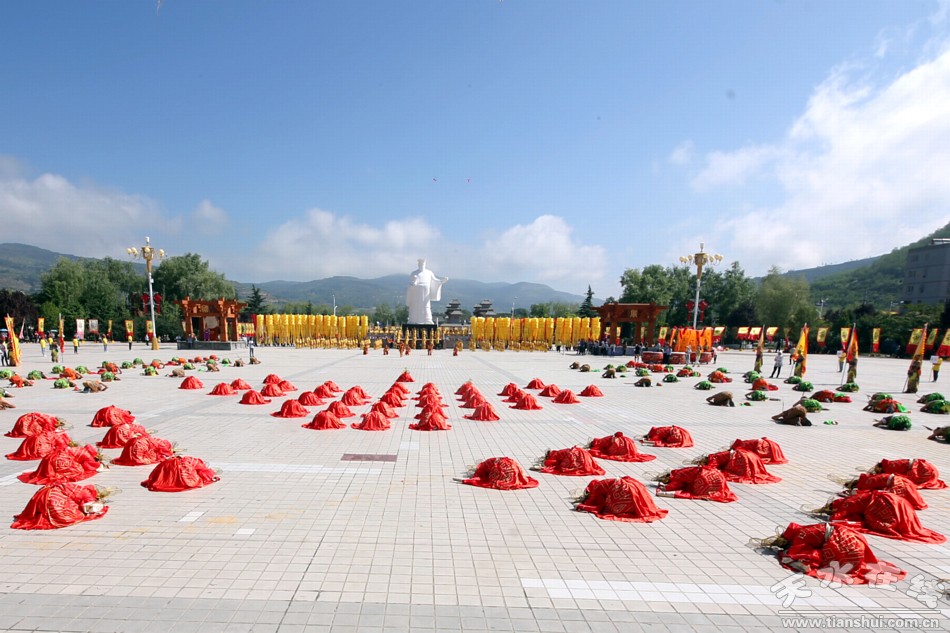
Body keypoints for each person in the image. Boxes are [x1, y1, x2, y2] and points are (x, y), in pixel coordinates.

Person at [406, 258, 448, 325]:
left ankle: (427, 320)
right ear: (418, 264)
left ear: (425, 264)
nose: (422, 265)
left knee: (426, 306)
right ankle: (413, 320)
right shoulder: (414, 273)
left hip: (426, 292)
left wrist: (442, 281)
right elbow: (410, 284)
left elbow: (435, 281)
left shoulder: (429, 272)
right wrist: (413, 283)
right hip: (416, 293)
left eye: (423, 263)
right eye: (420, 263)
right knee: (415, 306)